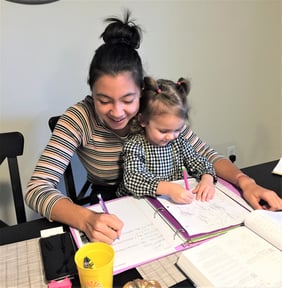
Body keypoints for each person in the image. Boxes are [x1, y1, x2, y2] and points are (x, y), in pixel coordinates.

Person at [25, 11, 282, 245]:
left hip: (172, 209)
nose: (117, 112)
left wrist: (246, 182)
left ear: (142, 92)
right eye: (104, 100)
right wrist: (84, 218)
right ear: (92, 91)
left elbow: (207, 156)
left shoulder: (155, 109)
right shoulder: (79, 118)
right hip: (116, 210)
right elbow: (37, 188)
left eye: (128, 100)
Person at [117, 77, 217, 203]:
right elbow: (133, 178)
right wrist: (169, 188)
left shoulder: (178, 142)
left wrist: (207, 179)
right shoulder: (135, 145)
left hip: (170, 204)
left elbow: (198, 161)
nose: (171, 136)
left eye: (177, 129)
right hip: (139, 203)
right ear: (143, 120)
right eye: (163, 131)